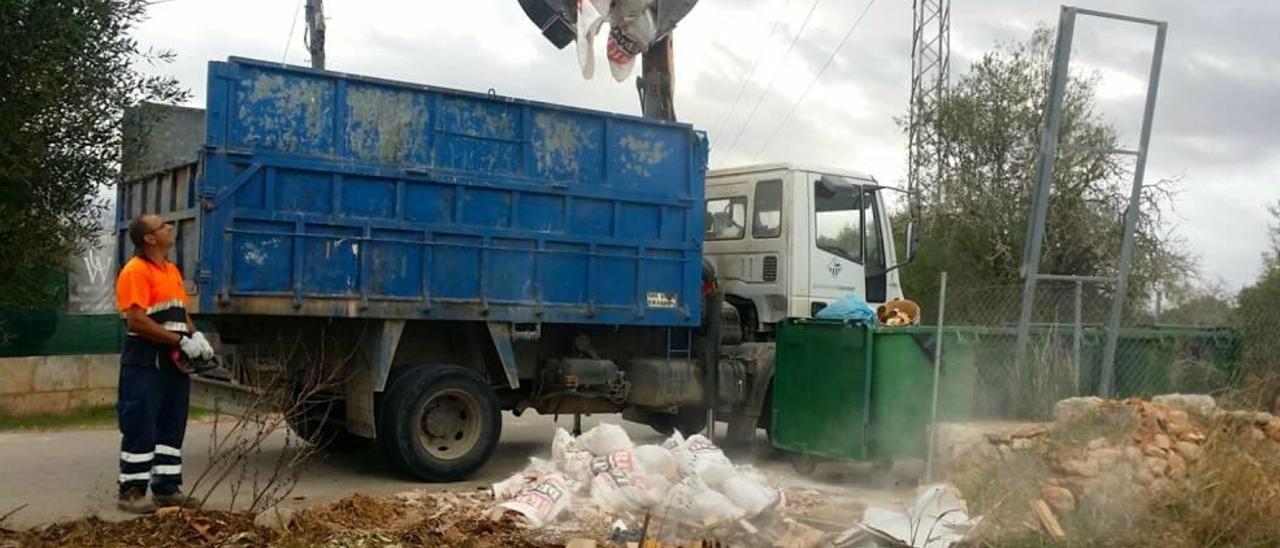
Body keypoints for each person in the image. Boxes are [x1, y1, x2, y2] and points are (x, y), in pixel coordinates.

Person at [114, 213, 214, 513]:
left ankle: (167, 489)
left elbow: (179, 311)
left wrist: (196, 337)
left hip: (172, 360)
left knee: (171, 424)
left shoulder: (170, 270)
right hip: (145, 358)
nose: (170, 227)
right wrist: (178, 341)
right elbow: (137, 320)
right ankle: (131, 493)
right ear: (150, 238)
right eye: (162, 226)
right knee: (141, 423)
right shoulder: (135, 271)